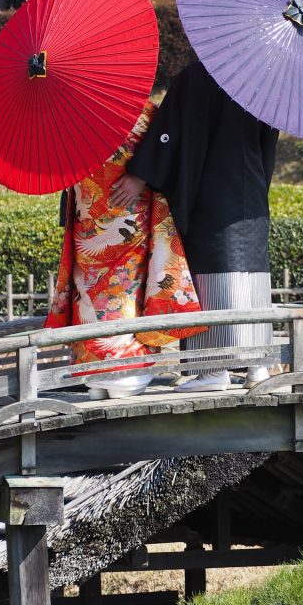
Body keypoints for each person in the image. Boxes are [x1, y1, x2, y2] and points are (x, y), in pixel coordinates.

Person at [109, 60, 277, 391]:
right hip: (252, 193)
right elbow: (267, 147)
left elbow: (169, 133)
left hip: (211, 192)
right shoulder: (262, 79)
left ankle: (213, 370)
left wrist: (142, 174)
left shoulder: (199, 76)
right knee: (251, 275)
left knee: (213, 271)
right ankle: (258, 367)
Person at [45, 100, 203, 398]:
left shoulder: (72, 114)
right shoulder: (141, 111)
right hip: (127, 216)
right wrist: (141, 176)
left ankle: (92, 370)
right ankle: (125, 370)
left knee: (90, 288)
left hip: (89, 218)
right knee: (123, 288)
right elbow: (165, 151)